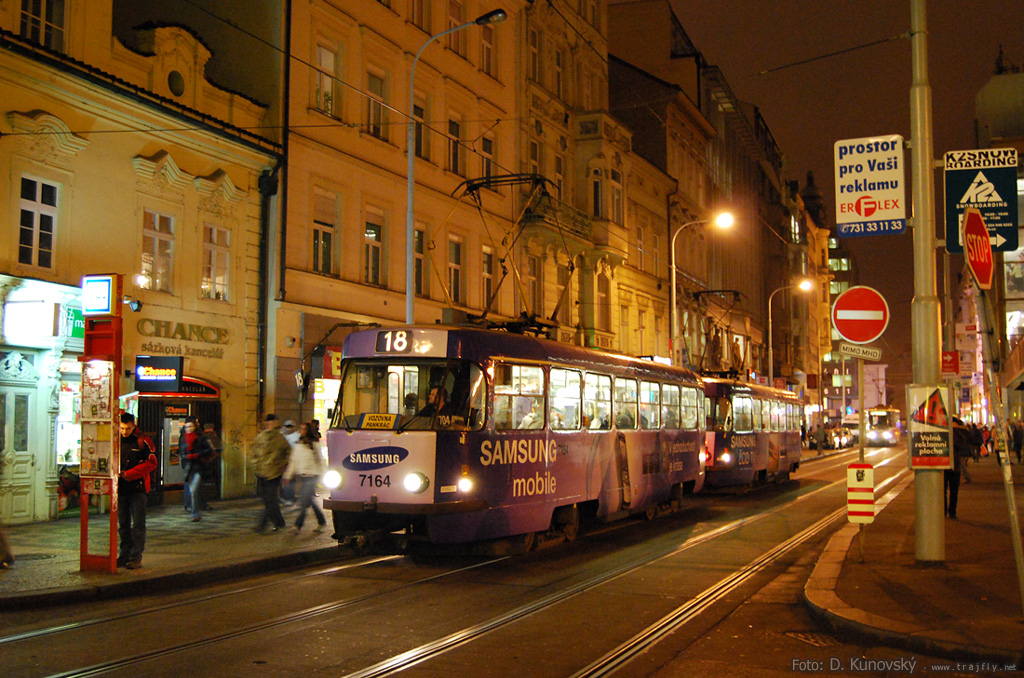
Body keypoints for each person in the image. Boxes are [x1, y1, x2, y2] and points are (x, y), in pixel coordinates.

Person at [117, 413, 158, 569]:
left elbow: (152, 463)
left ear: (134, 426)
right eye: (121, 428)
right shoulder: (116, 440)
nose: (124, 432)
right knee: (123, 524)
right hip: (121, 489)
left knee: (138, 524)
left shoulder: (143, 441)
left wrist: (130, 474)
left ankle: (136, 557)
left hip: (137, 489)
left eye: (127, 428)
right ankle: (124, 555)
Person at [283, 423, 327, 534]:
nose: (301, 431)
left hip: (312, 476)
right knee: (310, 501)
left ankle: (297, 526)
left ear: (308, 431)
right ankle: (321, 521)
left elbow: (321, 461)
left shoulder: (315, 445)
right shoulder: (298, 445)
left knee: (304, 501)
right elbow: (293, 461)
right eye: (301, 428)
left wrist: (324, 475)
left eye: (303, 429)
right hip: (302, 477)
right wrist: (287, 476)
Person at [252, 414, 292, 533]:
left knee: (270, 499)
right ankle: (279, 522)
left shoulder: (280, 438)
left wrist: (283, 464)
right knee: (268, 499)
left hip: (274, 472)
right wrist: (256, 467)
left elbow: (287, 452)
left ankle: (262, 524)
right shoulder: (260, 437)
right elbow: (254, 454)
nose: (271, 424)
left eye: (273, 421)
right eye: (269, 422)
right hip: (262, 472)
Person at [183, 419, 216, 522]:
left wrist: (197, 455)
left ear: (195, 427)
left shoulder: (201, 438)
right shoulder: (183, 439)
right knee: (193, 491)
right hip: (189, 468)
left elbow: (209, 450)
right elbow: (180, 452)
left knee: (194, 490)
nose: (189, 429)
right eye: (187, 427)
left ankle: (195, 513)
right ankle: (194, 510)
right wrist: (186, 456)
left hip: (199, 468)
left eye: (191, 427)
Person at [945, 417, 971, 520]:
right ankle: (945, 511)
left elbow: (963, 444)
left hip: (955, 466)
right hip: (945, 465)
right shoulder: (945, 433)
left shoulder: (960, 434)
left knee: (954, 491)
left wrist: (955, 431)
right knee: (943, 491)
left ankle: (952, 511)